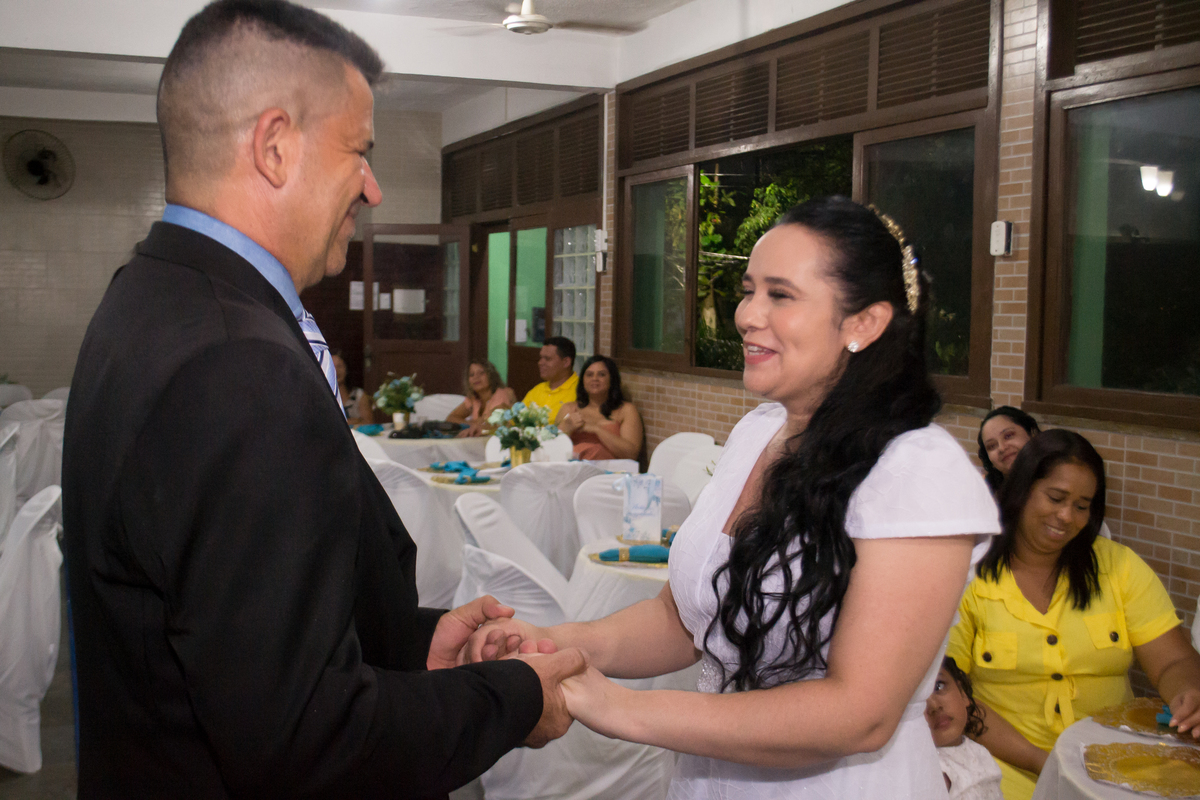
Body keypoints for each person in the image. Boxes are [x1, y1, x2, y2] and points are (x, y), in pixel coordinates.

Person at [60, 2, 585, 797]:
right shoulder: (240, 365)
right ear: (275, 146)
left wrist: (417, 644)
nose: (371, 187)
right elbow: (304, 736)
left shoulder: (149, 296)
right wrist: (509, 699)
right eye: (360, 152)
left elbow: (232, 623)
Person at [466, 197, 1001, 798]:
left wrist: (617, 707)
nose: (747, 314)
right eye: (749, 290)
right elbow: (686, 619)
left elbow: (860, 713)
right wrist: (557, 645)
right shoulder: (758, 432)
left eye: (780, 295)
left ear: (863, 323)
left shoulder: (917, 473)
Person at [948, 429, 1200, 800]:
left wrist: (1188, 691)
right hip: (1007, 769)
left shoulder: (1118, 567)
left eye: (1082, 506)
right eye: (1055, 497)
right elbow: (953, 695)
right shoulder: (969, 572)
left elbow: (1174, 660)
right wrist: (1044, 761)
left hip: (1115, 769)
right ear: (1022, 490)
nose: (1066, 516)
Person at [926, 657, 1003, 800]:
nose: (934, 706)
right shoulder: (935, 773)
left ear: (963, 693)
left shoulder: (977, 750)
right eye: (917, 701)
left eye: (939, 686)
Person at [555, 355, 643, 461]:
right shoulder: (569, 408)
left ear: (612, 379)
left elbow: (631, 454)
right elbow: (549, 450)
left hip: (610, 472)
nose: (595, 379)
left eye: (601, 375)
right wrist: (566, 430)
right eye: (589, 375)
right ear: (583, 380)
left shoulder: (626, 410)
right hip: (573, 470)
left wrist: (596, 430)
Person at [978, 406, 1041, 493]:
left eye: (1008, 436)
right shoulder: (986, 495)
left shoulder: (1055, 476)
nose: (1002, 448)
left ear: (1031, 433)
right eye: (992, 446)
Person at [446, 359, 515, 437]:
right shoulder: (473, 399)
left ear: (491, 375)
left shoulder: (502, 393)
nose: (476, 377)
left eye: (482, 373)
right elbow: (451, 418)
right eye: (472, 375)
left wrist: (475, 425)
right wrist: (472, 424)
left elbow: (494, 423)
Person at [521, 336, 578, 420]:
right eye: (541, 358)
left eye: (547, 359)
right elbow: (517, 420)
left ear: (566, 362)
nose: (540, 363)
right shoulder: (536, 391)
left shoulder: (581, 391)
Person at [332, 349, 371, 425]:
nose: (336, 371)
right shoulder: (322, 396)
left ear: (346, 369)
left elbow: (368, 422)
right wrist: (356, 421)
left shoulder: (358, 395)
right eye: (332, 367)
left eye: (339, 366)